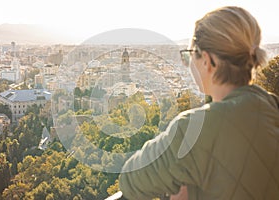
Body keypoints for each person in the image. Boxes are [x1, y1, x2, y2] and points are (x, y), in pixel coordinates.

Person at [119, 6, 279, 200]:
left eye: (190, 55)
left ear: (208, 61)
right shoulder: (273, 107)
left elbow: (130, 181)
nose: (188, 63)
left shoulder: (194, 129)